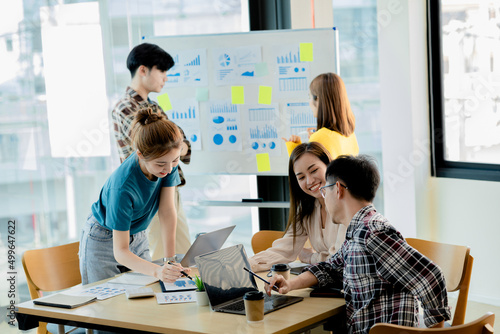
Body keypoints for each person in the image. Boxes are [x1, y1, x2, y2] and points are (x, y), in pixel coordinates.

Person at [265, 155, 451, 333]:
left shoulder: (373, 233)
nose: (324, 197)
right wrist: (290, 284)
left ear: (337, 189)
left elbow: (432, 277)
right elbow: (331, 268)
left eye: (325, 190)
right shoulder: (357, 232)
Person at [79, 106, 191, 285]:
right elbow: (121, 251)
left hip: (137, 234)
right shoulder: (122, 187)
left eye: (175, 161)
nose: (169, 169)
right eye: (161, 164)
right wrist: (158, 271)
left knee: (146, 293)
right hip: (103, 239)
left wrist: (170, 260)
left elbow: (167, 211)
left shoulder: (167, 164)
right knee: (105, 304)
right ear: (140, 154)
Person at [111, 42, 192, 260]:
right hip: (149, 191)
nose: (165, 77)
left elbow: (181, 142)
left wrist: (176, 148)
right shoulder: (125, 108)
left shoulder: (152, 106)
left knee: (181, 251)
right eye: (162, 70)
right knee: (164, 257)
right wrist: (176, 148)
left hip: (167, 184)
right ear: (143, 70)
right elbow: (170, 147)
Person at [249, 142, 347, 272]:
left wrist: (310, 257)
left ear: (329, 166)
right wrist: (245, 265)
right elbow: (283, 251)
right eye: (301, 177)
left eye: (314, 170)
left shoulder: (346, 202)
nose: (309, 181)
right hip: (324, 282)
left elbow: (340, 260)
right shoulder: (307, 207)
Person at [283, 72, 359, 158]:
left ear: (318, 100)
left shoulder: (320, 138)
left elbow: (304, 170)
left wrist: (295, 150)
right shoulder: (351, 135)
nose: (309, 102)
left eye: (310, 97)